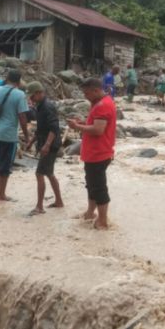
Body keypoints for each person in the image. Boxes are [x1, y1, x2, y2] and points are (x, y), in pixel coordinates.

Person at [67, 77, 117, 230]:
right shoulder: (100, 103)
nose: (85, 96)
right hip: (95, 152)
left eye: (87, 93)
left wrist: (77, 127)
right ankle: (90, 213)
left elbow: (98, 130)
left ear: (96, 90)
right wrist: (83, 123)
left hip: (99, 153)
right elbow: (95, 124)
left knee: (99, 187)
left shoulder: (103, 105)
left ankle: (102, 221)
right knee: (91, 185)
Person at [0, 69, 29, 201]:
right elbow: (22, 117)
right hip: (8, 135)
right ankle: (1, 194)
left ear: (7, 78)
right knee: (5, 163)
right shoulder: (19, 95)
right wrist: (26, 135)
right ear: (19, 81)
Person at [25, 82, 63, 215]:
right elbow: (41, 129)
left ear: (38, 93)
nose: (31, 99)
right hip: (46, 143)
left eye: (32, 96)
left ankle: (39, 206)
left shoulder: (47, 107)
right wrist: (31, 142)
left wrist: (47, 145)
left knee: (39, 173)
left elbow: (54, 128)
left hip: (50, 145)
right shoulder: (40, 106)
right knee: (49, 173)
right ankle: (59, 201)